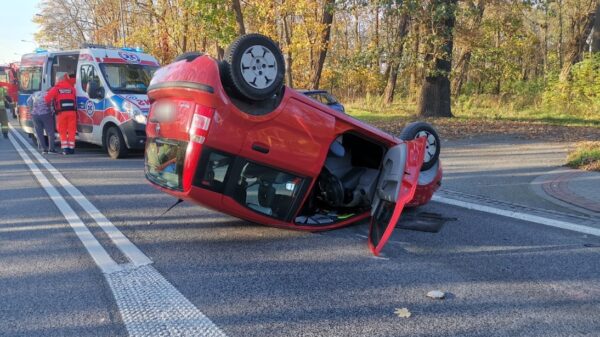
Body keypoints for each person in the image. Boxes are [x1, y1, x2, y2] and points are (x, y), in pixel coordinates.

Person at [45, 73, 77, 154]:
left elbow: (47, 98)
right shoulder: (72, 88)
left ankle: (65, 149)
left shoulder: (56, 88)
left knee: (62, 130)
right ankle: (71, 148)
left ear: (58, 80)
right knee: (71, 130)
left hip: (62, 113)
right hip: (72, 112)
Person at [27, 90, 57, 154]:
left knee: (39, 132)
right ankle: (51, 149)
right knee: (50, 132)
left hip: (35, 115)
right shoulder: (49, 94)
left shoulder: (35, 93)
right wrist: (52, 112)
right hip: (46, 114)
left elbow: (28, 101)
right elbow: (52, 105)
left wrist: (31, 110)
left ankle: (44, 149)